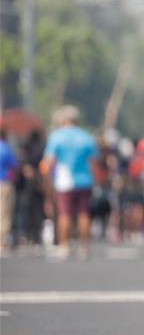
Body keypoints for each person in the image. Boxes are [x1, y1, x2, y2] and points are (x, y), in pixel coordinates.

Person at [41, 105, 98, 260]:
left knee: (64, 214)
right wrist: (97, 181)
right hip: (85, 180)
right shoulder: (86, 137)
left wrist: (46, 183)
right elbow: (93, 163)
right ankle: (84, 247)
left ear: (64, 120)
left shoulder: (57, 136)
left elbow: (48, 163)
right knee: (84, 213)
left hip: (64, 182)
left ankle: (64, 246)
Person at [0, 128, 19, 254]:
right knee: (4, 214)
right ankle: (1, 242)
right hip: (4, 183)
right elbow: (14, 166)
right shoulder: (5, 148)